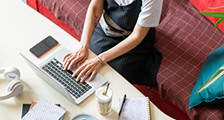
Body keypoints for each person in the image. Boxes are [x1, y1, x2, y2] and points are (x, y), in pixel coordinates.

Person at [63, 0, 163, 87]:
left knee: (112, 81)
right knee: (82, 66)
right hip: (106, 28)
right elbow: (95, 8)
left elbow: (137, 36)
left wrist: (100, 59)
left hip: (132, 39)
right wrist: (83, 45)